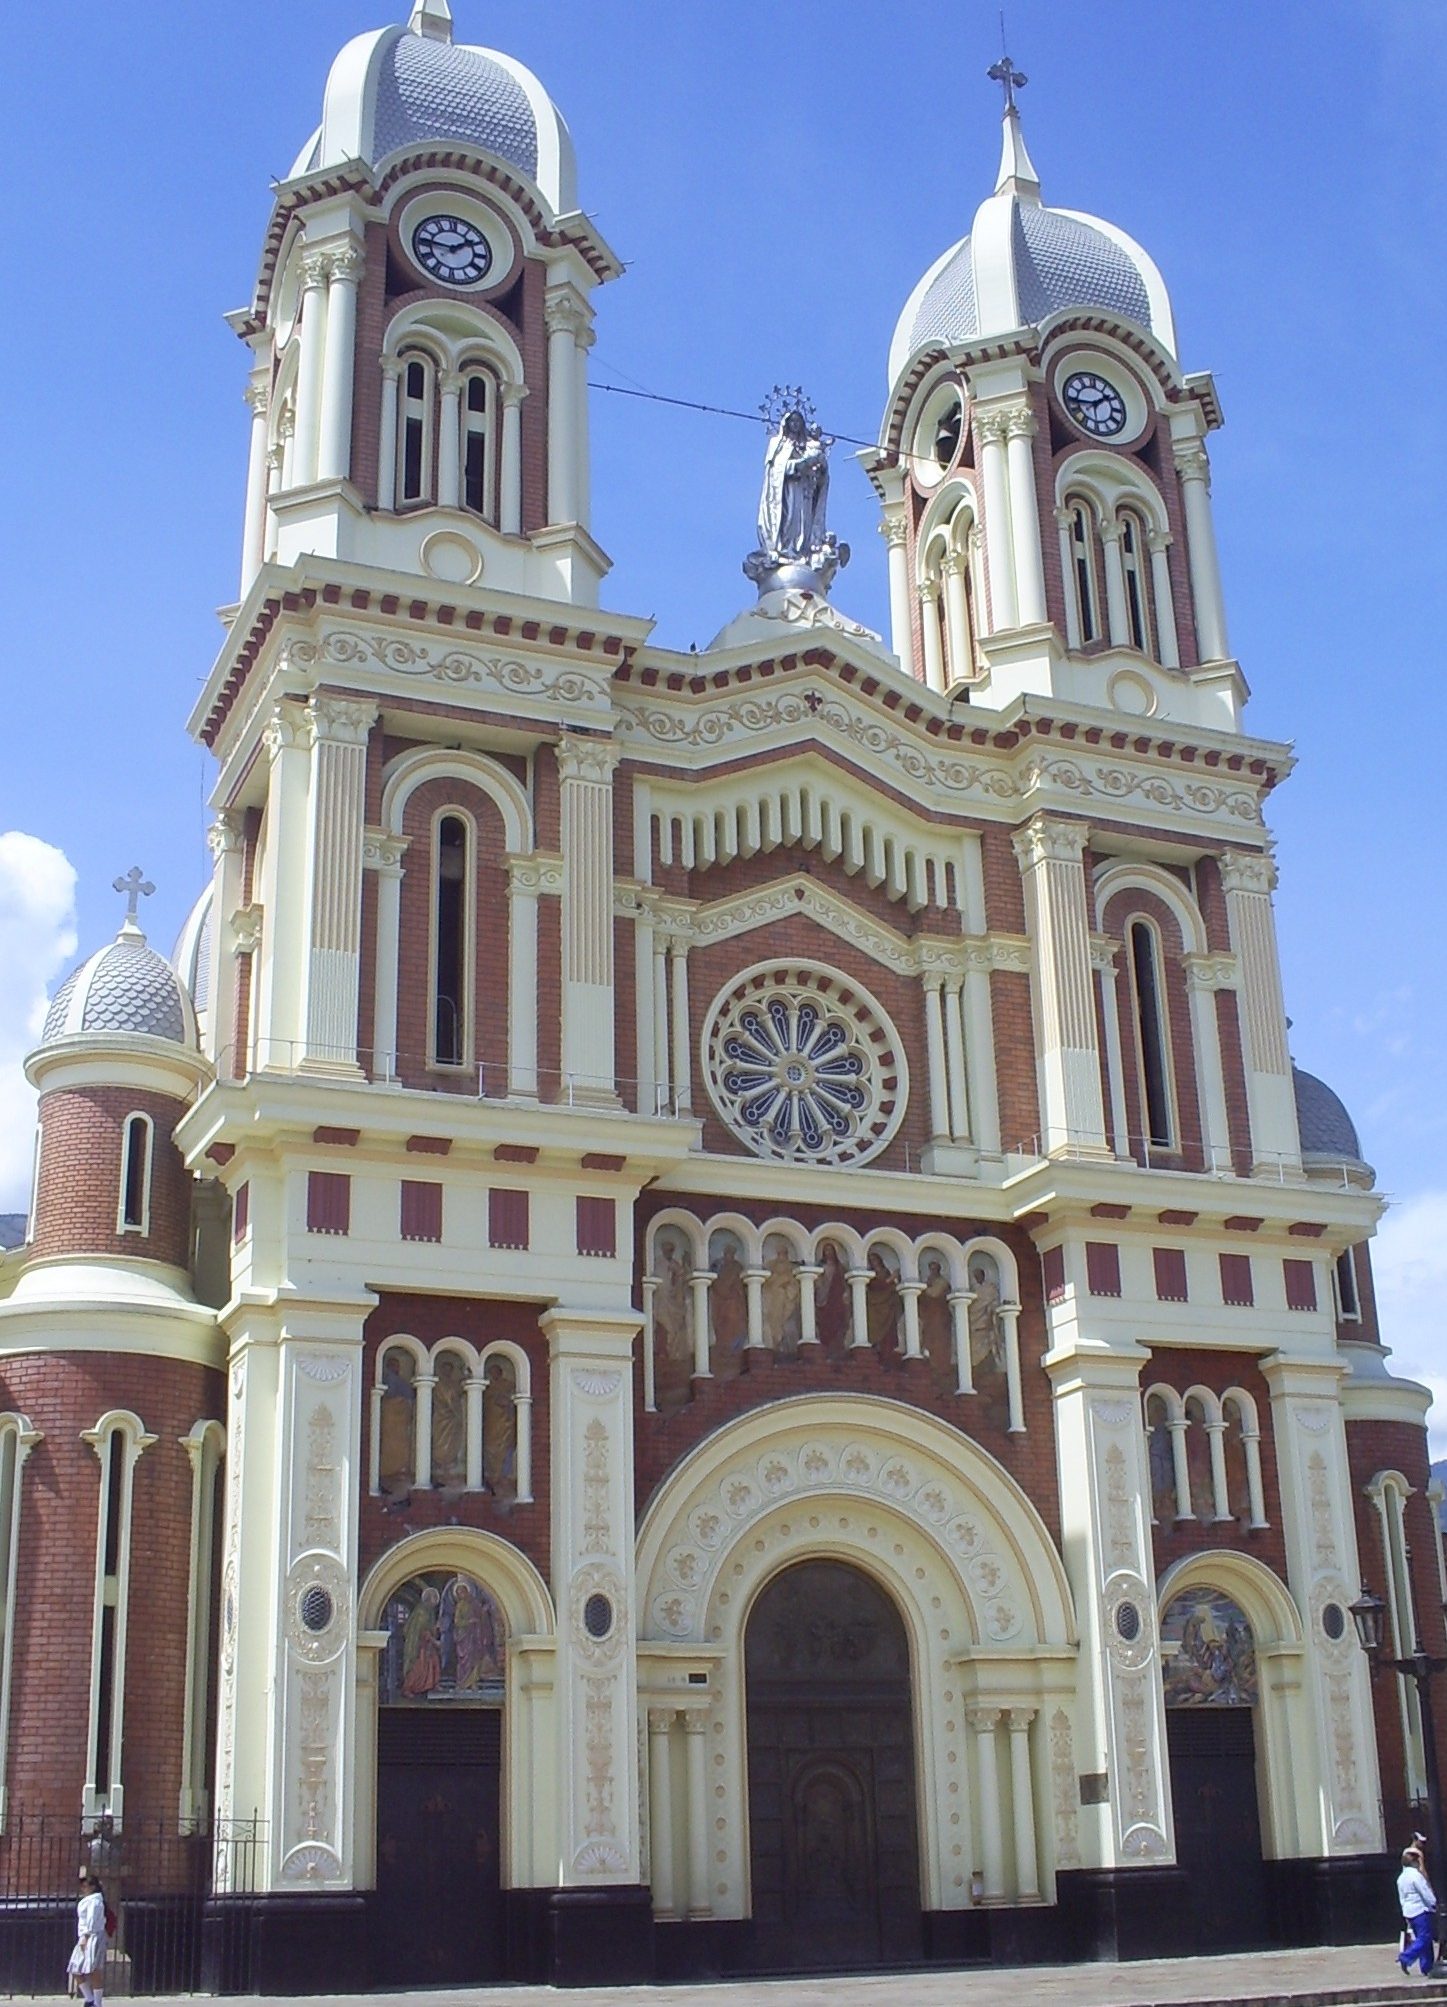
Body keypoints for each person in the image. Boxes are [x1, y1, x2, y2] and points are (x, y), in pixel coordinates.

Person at [67, 1868, 107, 2007]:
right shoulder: (88, 1900)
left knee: (93, 1969)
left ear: (93, 1887)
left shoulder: (95, 1901)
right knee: (75, 1968)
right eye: (82, 1886)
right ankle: (89, 1999)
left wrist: (86, 1936)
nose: (83, 1889)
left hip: (92, 1937)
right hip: (84, 1937)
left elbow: (92, 1919)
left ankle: (97, 2002)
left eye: (85, 1886)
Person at [1397, 1844, 1437, 1977]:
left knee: (1423, 1939)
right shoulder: (1416, 1876)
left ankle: (1427, 1967)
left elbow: (1402, 1897)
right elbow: (1424, 1891)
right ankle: (1407, 1956)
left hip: (1409, 1911)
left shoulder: (1401, 1878)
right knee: (1425, 1938)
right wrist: (1433, 1903)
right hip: (1421, 1910)